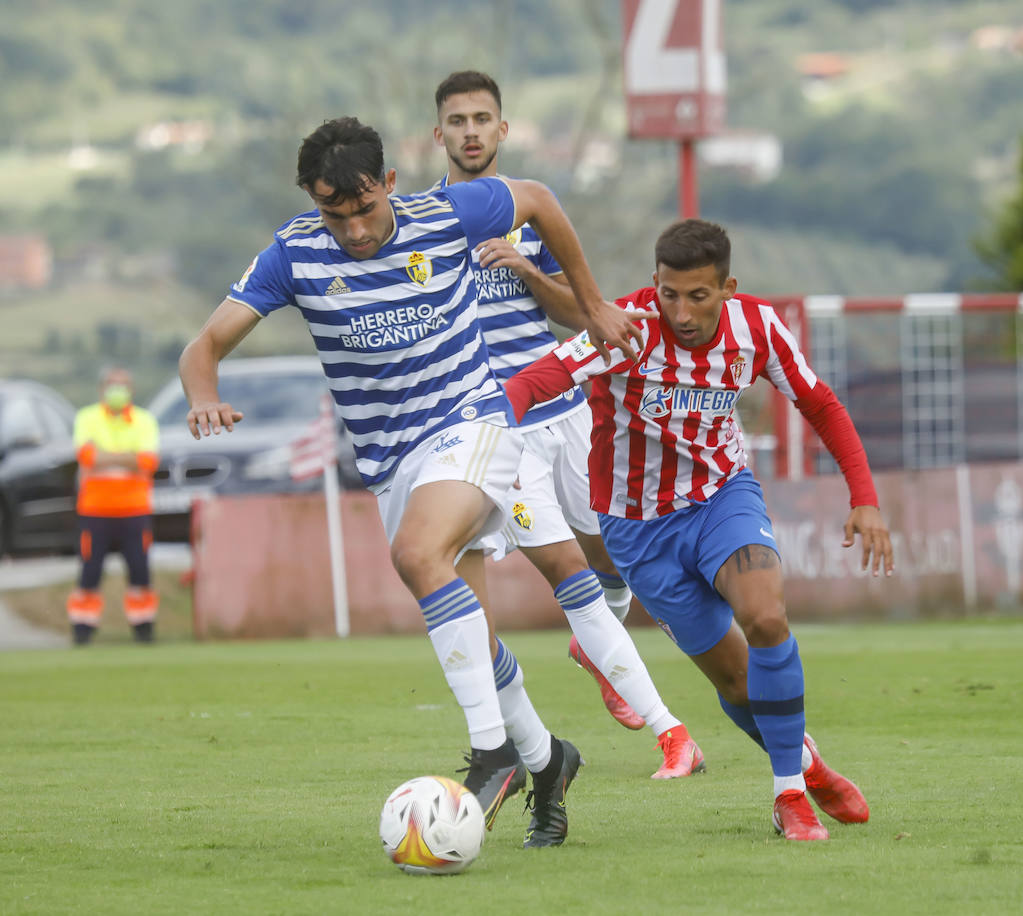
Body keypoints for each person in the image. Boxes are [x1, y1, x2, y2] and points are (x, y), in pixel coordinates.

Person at [177, 116, 646, 849]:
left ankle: (491, 753)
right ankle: (547, 761)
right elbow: (204, 346)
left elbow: (542, 201)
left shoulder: (447, 213)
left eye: (365, 208)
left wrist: (589, 304)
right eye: (336, 214)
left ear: (389, 183)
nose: (355, 229)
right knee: (474, 631)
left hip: (476, 421)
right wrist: (203, 396)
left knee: (418, 555)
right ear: (312, 200)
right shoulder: (294, 253)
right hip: (394, 462)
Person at [502, 219, 896, 841]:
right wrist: (491, 426)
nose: (680, 312)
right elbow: (538, 379)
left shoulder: (758, 328)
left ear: (728, 288)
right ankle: (809, 765)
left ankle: (787, 796)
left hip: (721, 497)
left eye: (698, 296)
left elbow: (820, 402)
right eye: (668, 293)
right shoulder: (625, 326)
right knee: (737, 680)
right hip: (637, 529)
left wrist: (865, 497)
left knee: (766, 618)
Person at [431, 70, 704, 779]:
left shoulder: (529, 214)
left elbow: (576, 312)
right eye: (456, 120)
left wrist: (524, 266)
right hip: (500, 431)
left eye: (481, 118)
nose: (469, 131)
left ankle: (597, 648)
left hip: (570, 412)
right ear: (439, 135)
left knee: (618, 561)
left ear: (502, 130)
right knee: (572, 575)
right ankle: (669, 732)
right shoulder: (424, 225)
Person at [66, 367, 161, 646]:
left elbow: (147, 462)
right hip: (95, 510)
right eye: (111, 385)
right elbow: (85, 456)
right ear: (101, 389)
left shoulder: (144, 420)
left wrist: (104, 456)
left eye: (123, 386)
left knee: (140, 572)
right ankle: (82, 632)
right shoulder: (87, 417)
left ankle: (144, 630)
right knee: (89, 573)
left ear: (131, 391)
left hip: (134, 510)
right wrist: (127, 457)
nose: (117, 391)